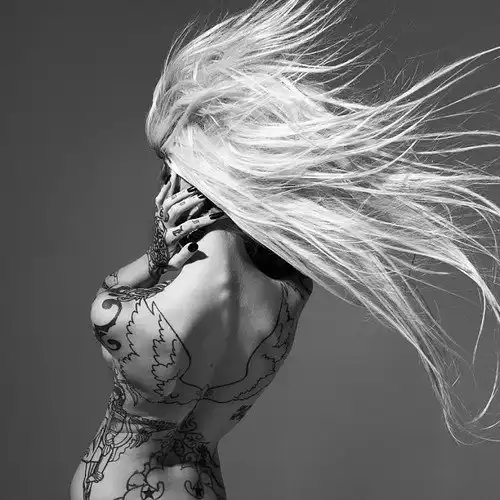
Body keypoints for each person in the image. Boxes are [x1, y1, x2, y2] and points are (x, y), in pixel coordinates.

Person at [71, 0, 500, 498]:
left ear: (182, 185)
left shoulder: (138, 317)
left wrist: (156, 254)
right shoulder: (290, 294)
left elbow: (106, 297)